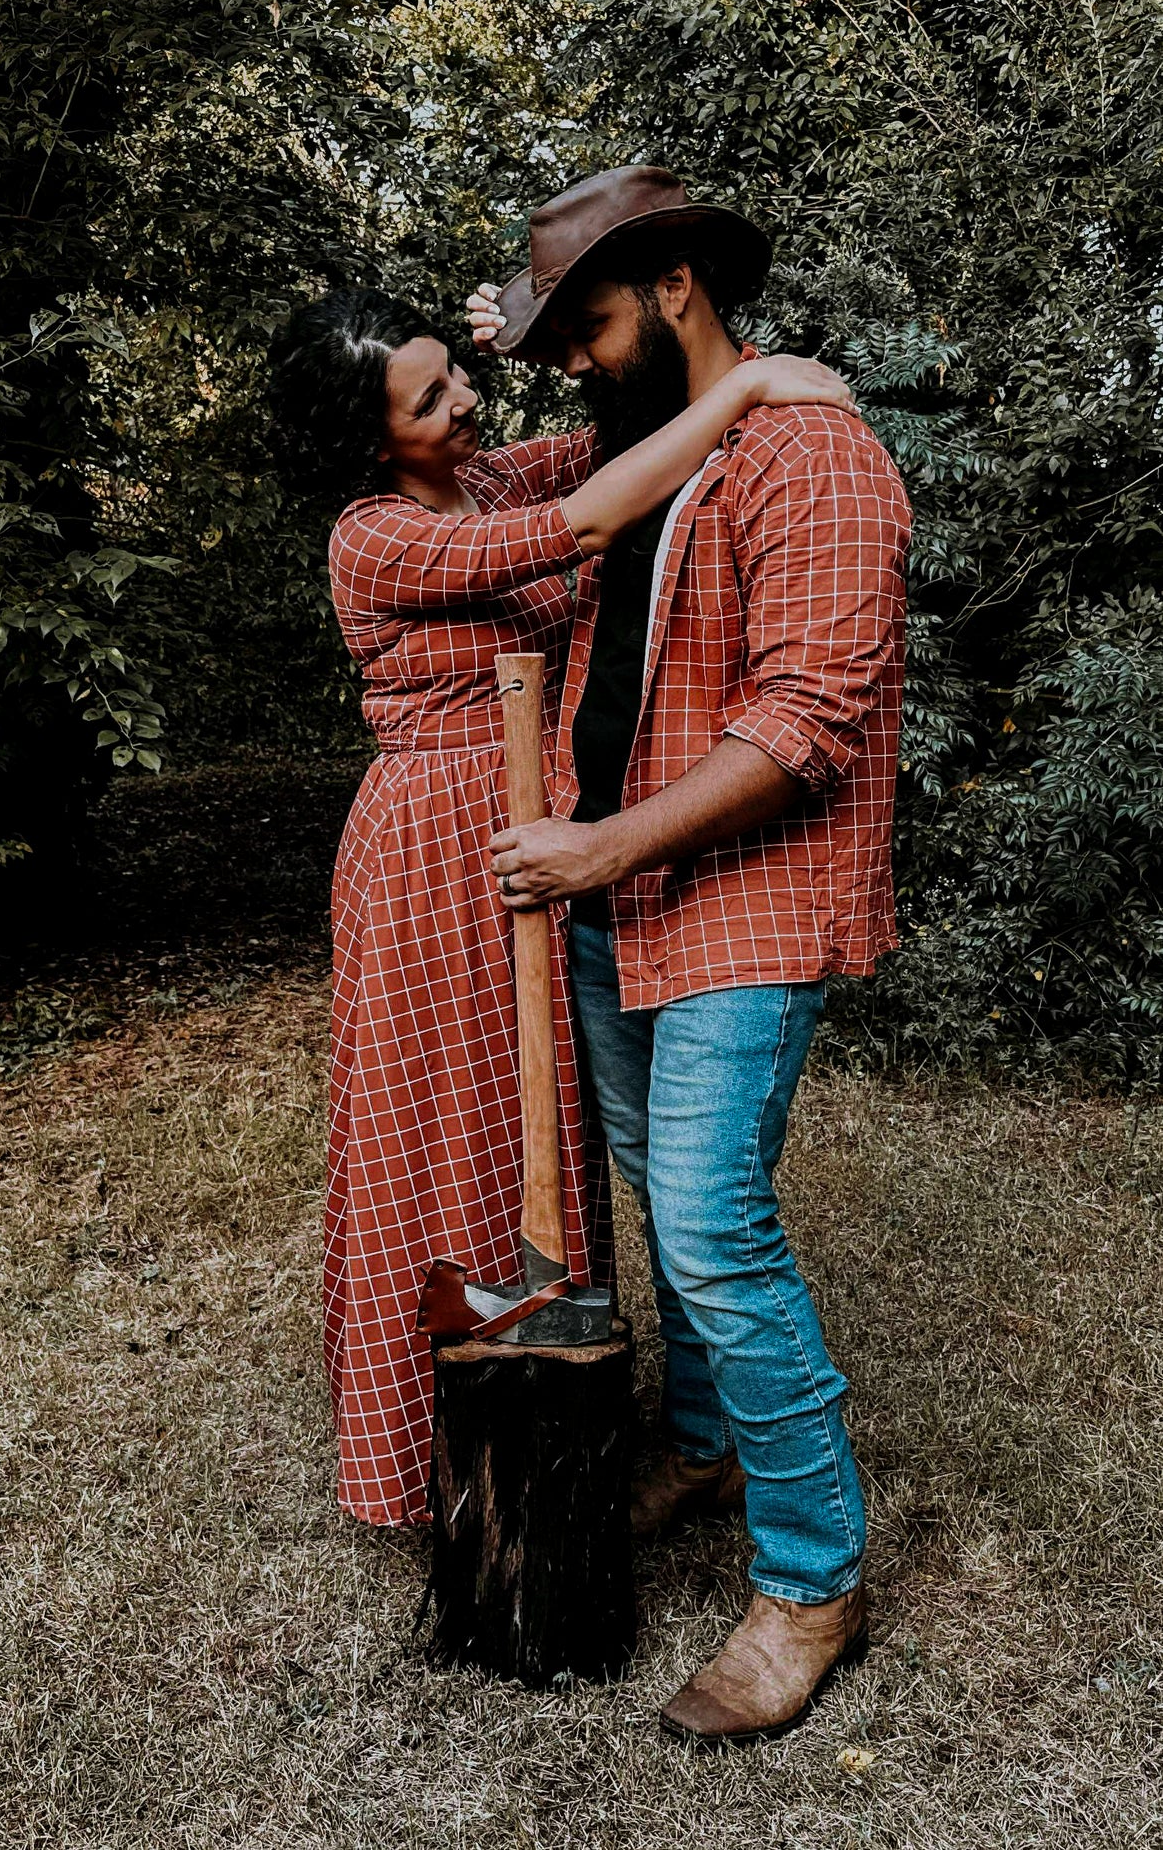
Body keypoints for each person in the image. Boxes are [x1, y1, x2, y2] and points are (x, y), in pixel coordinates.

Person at [269, 287, 855, 1528]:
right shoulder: (370, 535)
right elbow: (590, 515)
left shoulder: (485, 484)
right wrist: (752, 387)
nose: (466, 401)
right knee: (435, 1129)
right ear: (370, 439)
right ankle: (420, 1436)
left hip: (547, 838)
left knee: (530, 1131)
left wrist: (540, 332)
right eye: (430, 398)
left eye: (457, 375)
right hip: (435, 854)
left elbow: (623, 428)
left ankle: (545, 1398)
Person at [466, 165, 911, 1742]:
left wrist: (593, 847)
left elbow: (804, 729)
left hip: (742, 903)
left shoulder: (817, 455)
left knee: (714, 1226)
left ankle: (810, 1579)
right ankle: (712, 1434)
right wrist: (488, 340)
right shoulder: (640, 455)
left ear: (671, 288)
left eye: (584, 324)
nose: (574, 360)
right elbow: (472, 502)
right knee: (665, 1185)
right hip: (619, 905)